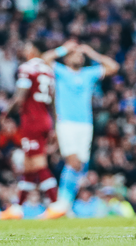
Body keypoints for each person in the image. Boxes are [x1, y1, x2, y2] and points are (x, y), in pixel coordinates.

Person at [39, 41, 120, 219]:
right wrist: (62, 49)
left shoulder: (88, 74)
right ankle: (60, 204)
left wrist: (92, 53)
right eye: (75, 54)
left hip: (85, 124)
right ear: (67, 58)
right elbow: (43, 60)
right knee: (73, 161)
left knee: (79, 165)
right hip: (66, 122)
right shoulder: (60, 71)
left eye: (80, 55)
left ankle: (64, 206)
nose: (79, 56)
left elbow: (114, 67)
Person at [0, 41, 58, 220]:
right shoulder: (48, 69)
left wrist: (5, 113)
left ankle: (56, 204)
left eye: (25, 48)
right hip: (44, 119)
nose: (22, 51)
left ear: (33, 50)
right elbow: (53, 100)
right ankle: (18, 208)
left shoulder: (27, 68)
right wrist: (53, 124)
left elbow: (20, 96)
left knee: (39, 164)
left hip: (32, 120)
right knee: (29, 166)